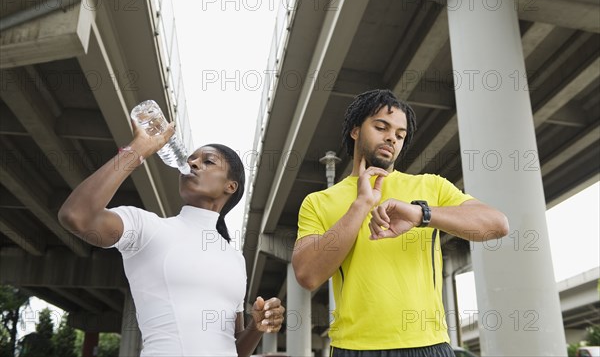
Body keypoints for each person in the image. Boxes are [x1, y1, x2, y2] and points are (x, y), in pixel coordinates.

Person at [292, 89, 509, 357]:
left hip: (428, 346)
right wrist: (360, 205)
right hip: (354, 348)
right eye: (381, 127)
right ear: (355, 131)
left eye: (400, 134)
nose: (391, 138)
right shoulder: (319, 201)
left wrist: (421, 214)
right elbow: (308, 275)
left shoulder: (430, 185)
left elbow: (497, 224)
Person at [58, 121, 284, 356]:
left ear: (230, 186)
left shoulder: (235, 259)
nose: (193, 163)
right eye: (191, 160)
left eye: (208, 161)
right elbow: (77, 216)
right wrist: (138, 149)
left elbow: (234, 349)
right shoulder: (147, 228)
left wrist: (257, 327)